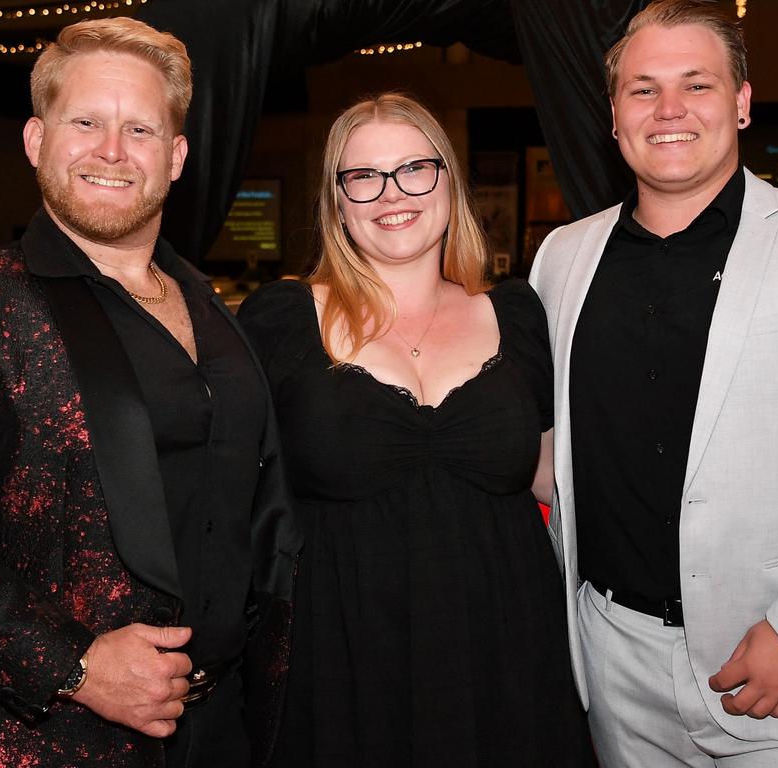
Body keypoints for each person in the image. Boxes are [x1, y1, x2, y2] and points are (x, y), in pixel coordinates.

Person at [529, 1, 778, 766]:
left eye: (697, 85)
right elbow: (554, 453)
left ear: (742, 103)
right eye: (643, 89)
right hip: (615, 671)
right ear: (613, 115)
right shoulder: (562, 260)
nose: (669, 109)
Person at [0, 17, 294, 768]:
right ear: (35, 140)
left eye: (140, 129)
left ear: (176, 157)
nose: (112, 151)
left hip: (225, 730)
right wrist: (73, 667)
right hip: (47, 739)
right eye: (85, 121)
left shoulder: (211, 307)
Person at [237, 93, 590, 767]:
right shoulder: (281, 320)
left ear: (449, 182)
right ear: (337, 200)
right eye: (362, 176)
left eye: (414, 169)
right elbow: (227, 496)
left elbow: (553, 479)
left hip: (507, 649)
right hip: (341, 652)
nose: (390, 194)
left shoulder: (517, 315)